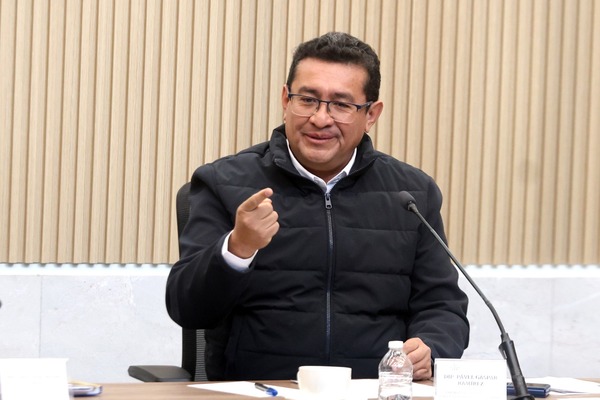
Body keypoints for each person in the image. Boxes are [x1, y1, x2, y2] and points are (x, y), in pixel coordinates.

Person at [166, 31, 469, 381]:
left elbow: (442, 306)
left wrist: (431, 346)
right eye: (307, 100)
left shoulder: (412, 194)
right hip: (261, 388)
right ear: (286, 100)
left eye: (341, 105)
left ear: (371, 114)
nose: (321, 118)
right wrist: (237, 248)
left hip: (372, 389)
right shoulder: (224, 183)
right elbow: (188, 309)